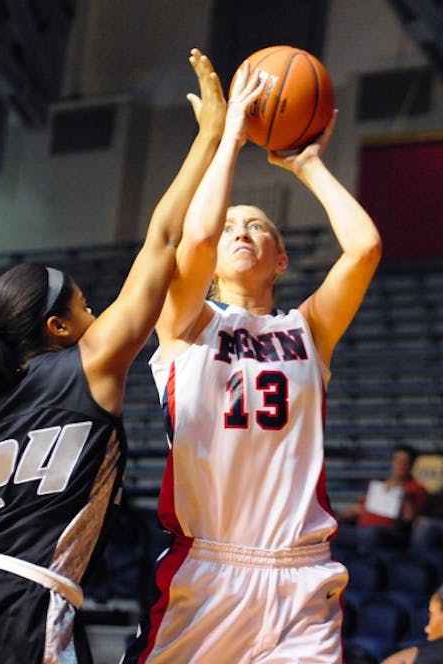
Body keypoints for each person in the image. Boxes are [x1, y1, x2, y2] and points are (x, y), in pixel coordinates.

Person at [0, 48, 257, 664]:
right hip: (21, 603)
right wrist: (208, 139)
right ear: (58, 327)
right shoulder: (92, 362)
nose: (97, 316)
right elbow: (164, 240)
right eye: (87, 307)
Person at [124, 61, 382, 662]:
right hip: (208, 568)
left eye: (258, 226)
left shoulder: (309, 330)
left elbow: (365, 247)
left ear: (281, 259)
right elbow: (194, 240)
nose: (241, 231)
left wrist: (308, 165)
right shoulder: (186, 322)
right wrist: (232, 137)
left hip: (301, 574)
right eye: (233, 225)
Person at [341, 444, 429, 548]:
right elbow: (358, 508)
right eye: (397, 461)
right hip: (363, 529)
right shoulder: (380, 486)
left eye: (405, 462)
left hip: (388, 533)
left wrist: (405, 496)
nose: (400, 465)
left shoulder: (416, 488)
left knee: (371, 534)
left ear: (411, 465)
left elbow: (410, 519)